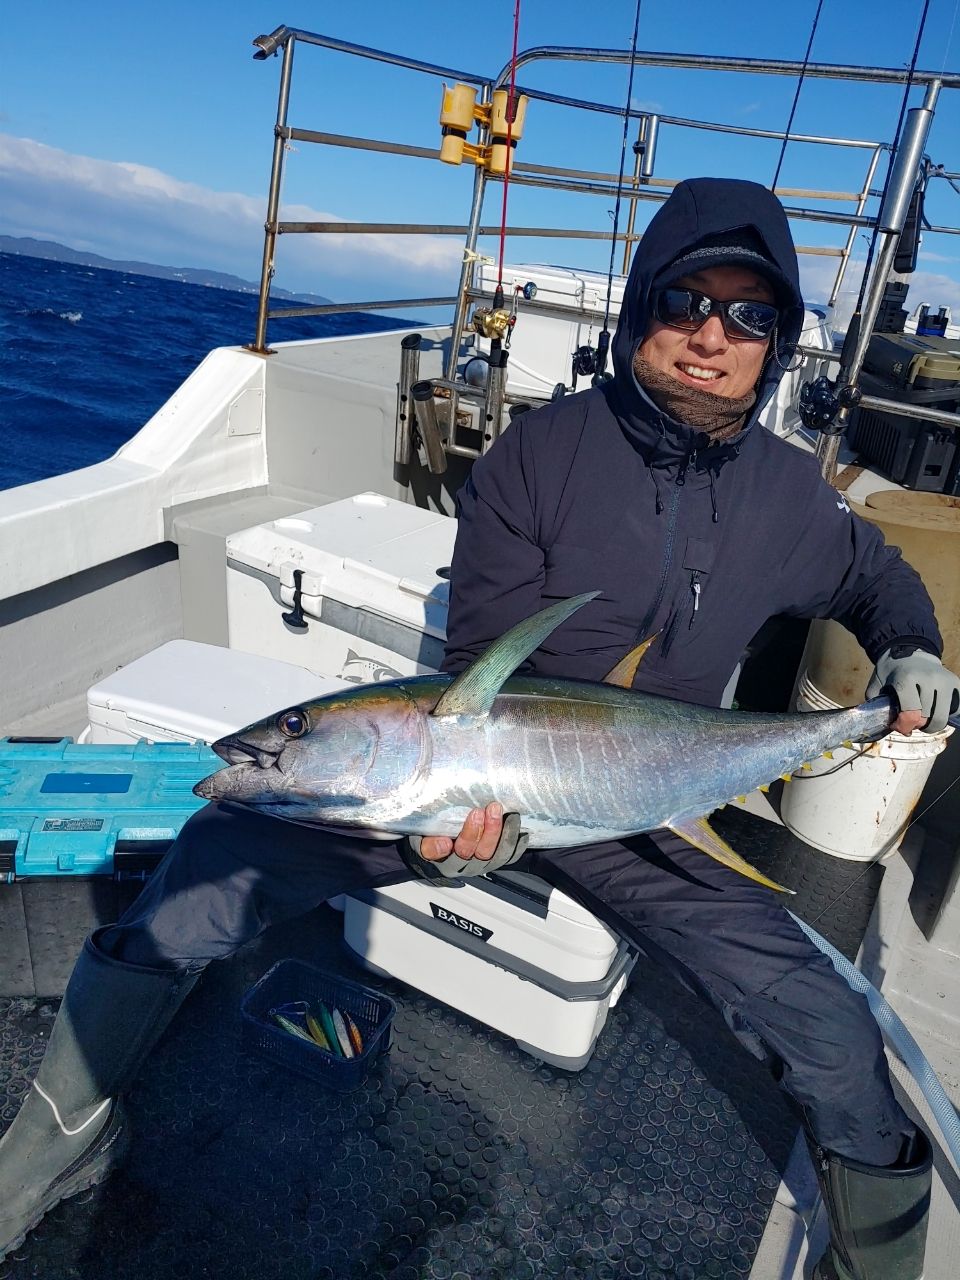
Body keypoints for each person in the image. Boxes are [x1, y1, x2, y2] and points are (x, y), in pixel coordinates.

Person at [1, 178, 958, 1280]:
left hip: (656, 803)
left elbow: (879, 577)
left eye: (749, 315)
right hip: (470, 770)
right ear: (646, 300)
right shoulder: (539, 457)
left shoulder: (794, 500)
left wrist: (911, 650)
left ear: (777, 340)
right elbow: (478, 680)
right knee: (211, 867)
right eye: (689, 298)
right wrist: (438, 830)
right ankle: (51, 1140)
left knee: (826, 1022)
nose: (711, 335)